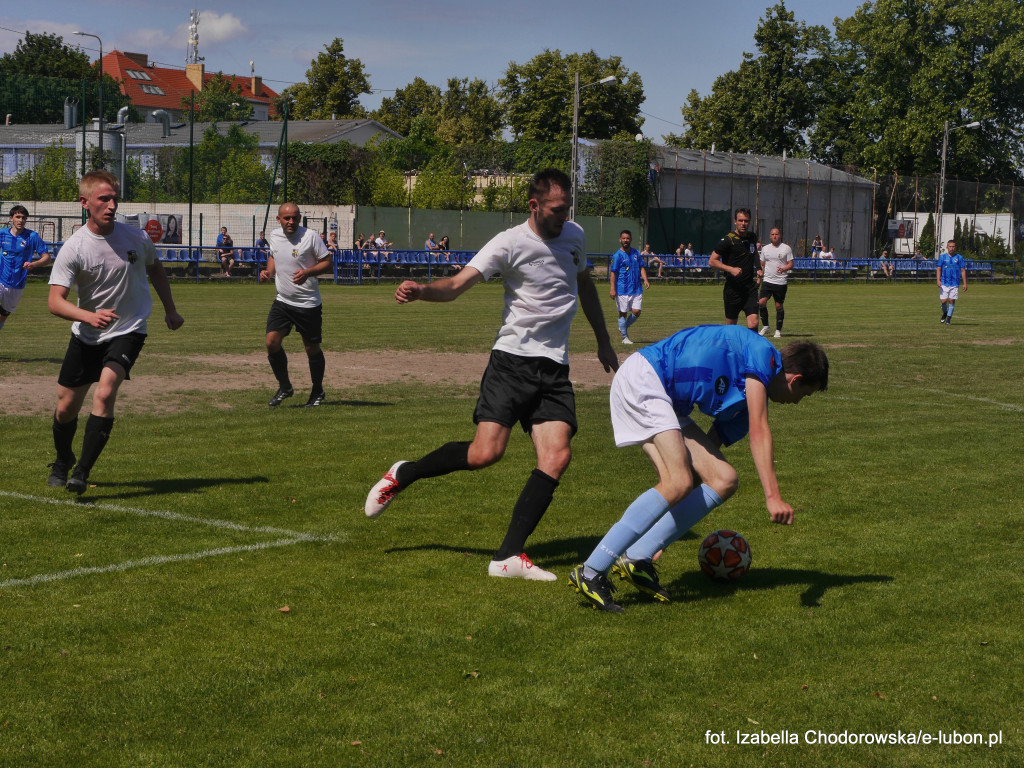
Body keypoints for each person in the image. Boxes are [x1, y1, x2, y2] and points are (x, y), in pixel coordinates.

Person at [364, 169, 619, 581]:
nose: (563, 216)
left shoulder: (574, 235)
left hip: (554, 367)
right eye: (556, 209)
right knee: (486, 455)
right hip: (512, 362)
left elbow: (584, 284)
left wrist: (603, 340)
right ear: (534, 206)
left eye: (567, 208)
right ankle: (405, 472)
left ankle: (508, 557)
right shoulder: (509, 242)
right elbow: (457, 283)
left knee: (557, 455)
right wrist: (422, 290)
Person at [568, 325, 829, 612]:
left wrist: (660, 536)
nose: (796, 403)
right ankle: (591, 571)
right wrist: (773, 496)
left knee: (723, 478)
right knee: (676, 481)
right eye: (804, 395)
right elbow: (760, 430)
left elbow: (702, 466)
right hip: (646, 378)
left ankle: (637, 557)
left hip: (665, 399)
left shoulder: (744, 405)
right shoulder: (762, 353)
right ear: (796, 379)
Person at [46, 170, 184, 494]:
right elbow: (54, 301)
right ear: (84, 203)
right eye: (103, 199)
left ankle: (81, 472)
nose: (111, 205)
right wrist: (88, 317)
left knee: (105, 392)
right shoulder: (75, 247)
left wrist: (170, 309)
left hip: (129, 327)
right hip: (87, 333)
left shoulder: (136, 237)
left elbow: (156, 268)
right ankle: (62, 460)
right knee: (65, 409)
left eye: (114, 198)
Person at [259, 202, 334, 407]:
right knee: (271, 343)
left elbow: (328, 262)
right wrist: (269, 272)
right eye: (286, 218)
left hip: (307, 303)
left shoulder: (310, 237)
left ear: (299, 218)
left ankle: (317, 390)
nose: (291, 221)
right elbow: (274, 255)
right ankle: (285, 387)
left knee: (311, 348)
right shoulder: (274, 236)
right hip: (282, 301)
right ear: (279, 219)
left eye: (294, 218)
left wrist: (308, 272)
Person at [708, 208, 762, 331]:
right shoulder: (728, 240)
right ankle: (731, 350)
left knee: (753, 323)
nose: (743, 223)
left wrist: (759, 267)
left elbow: (754, 253)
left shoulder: (752, 237)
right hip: (733, 289)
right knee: (731, 328)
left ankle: (750, 349)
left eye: (746, 221)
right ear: (735, 222)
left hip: (749, 289)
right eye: (740, 220)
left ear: (749, 222)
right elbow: (712, 261)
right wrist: (731, 269)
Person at [1, 204, 52, 333]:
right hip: (0, 279)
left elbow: (47, 258)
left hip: (17, 284)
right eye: (18, 217)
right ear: (11, 218)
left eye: (23, 218)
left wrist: (34, 264)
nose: (21, 220)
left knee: (2, 316)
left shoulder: (32, 236)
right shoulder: (2, 234)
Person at [609, 229, 649, 345]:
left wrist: (645, 279)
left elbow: (642, 267)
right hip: (622, 289)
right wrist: (612, 288)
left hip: (636, 288)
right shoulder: (617, 256)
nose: (626, 240)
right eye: (624, 238)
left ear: (631, 239)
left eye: (628, 238)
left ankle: (623, 327)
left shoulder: (636, 253)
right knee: (623, 313)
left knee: (637, 312)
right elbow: (613, 273)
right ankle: (624, 337)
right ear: (620, 240)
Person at [758, 227, 794, 338]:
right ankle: (766, 326)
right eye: (772, 234)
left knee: (778, 306)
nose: (774, 236)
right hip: (767, 281)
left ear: (780, 235)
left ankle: (778, 330)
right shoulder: (765, 249)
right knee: (761, 302)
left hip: (780, 282)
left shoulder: (786, 248)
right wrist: (759, 278)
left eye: (776, 234)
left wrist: (783, 269)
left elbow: (791, 264)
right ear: (770, 236)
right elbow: (762, 265)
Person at [937, 239, 967, 325]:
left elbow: (963, 270)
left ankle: (948, 319)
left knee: (951, 300)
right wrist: (938, 280)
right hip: (944, 282)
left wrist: (965, 283)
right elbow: (939, 269)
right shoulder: (942, 257)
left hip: (955, 283)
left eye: (953, 246)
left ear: (955, 247)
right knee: (943, 301)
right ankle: (945, 313)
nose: (951, 248)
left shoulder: (959, 257)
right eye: (950, 246)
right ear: (947, 247)